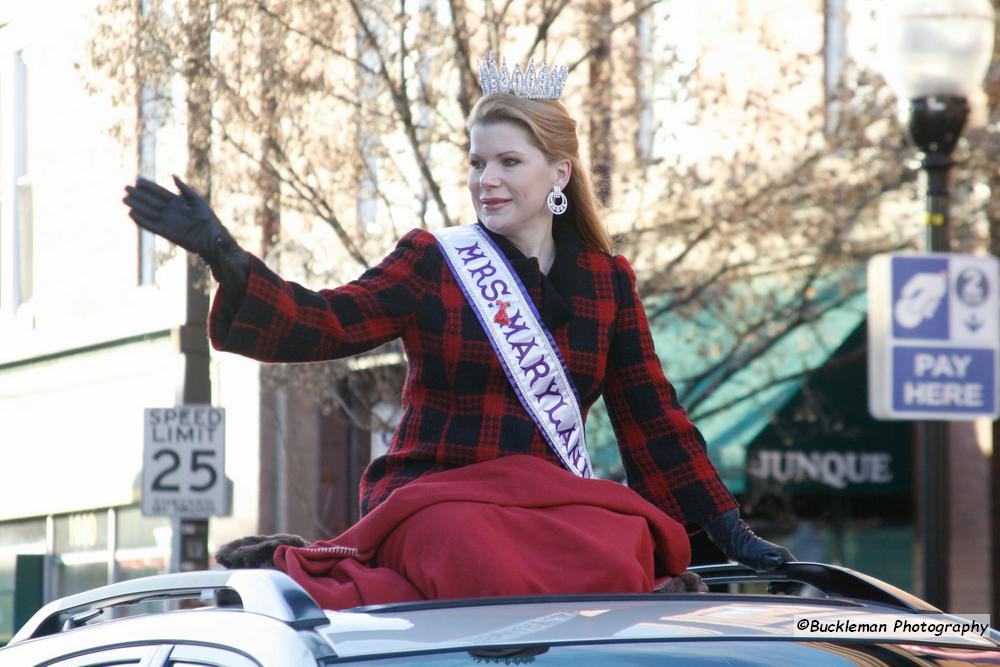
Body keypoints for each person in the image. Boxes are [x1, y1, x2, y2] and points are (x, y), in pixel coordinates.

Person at [123, 54, 792, 607]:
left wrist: (730, 530)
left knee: (622, 541)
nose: (486, 180)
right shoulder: (435, 261)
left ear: (558, 173)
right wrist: (228, 259)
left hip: (547, 500)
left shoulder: (606, 282)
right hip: (434, 494)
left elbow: (654, 419)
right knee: (476, 551)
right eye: (477, 163)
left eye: (508, 162)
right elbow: (326, 323)